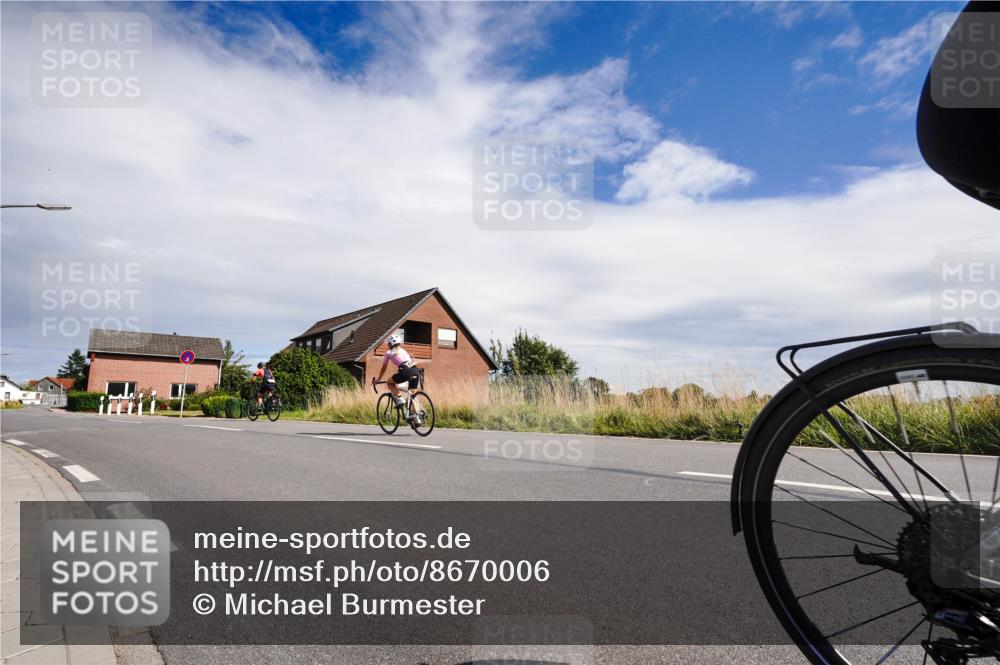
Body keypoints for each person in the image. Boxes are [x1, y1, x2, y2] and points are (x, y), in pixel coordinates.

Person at [374, 335, 420, 408]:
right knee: (412, 397)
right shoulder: (403, 350)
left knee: (389, 382)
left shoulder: (388, 353)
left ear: (390, 344)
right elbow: (405, 362)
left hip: (405, 371)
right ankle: (416, 417)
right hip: (415, 371)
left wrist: (378, 379)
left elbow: (383, 368)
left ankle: (400, 398)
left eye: (388, 344)